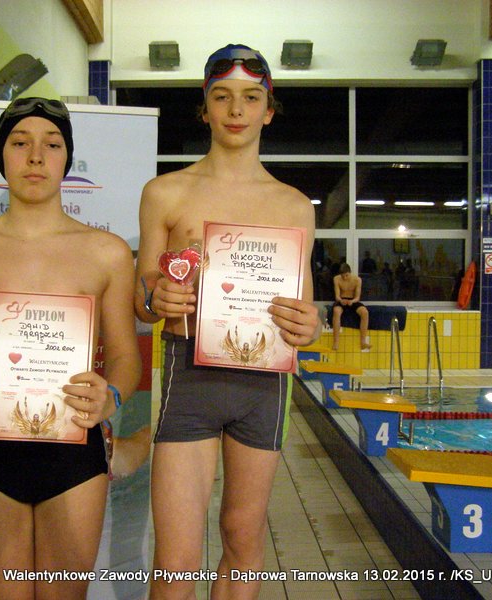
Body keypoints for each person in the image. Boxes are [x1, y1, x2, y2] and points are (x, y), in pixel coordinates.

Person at [0, 97, 141, 599]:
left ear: (68, 158)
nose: (36, 157)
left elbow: (126, 356)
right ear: (1, 156)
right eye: (20, 143)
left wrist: (112, 395)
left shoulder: (106, 252)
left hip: (74, 451)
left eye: (52, 145)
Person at [134, 44, 321, 600]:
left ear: (268, 111)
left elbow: (304, 310)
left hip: (264, 386)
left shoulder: (294, 206)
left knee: (242, 537)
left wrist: (310, 327)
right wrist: (158, 296)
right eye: (222, 97)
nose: (236, 110)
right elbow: (141, 299)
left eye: (251, 98)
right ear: (205, 109)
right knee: (176, 561)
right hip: (188, 378)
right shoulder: (166, 192)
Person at [331, 263, 371, 351]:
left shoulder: (357, 280)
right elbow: (337, 296)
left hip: (353, 300)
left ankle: (363, 342)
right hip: (341, 300)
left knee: (365, 312)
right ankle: (336, 342)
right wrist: (341, 300)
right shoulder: (336, 279)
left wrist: (352, 301)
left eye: (346, 275)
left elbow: (357, 297)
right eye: (343, 276)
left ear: (350, 273)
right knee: (336, 311)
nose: (345, 278)